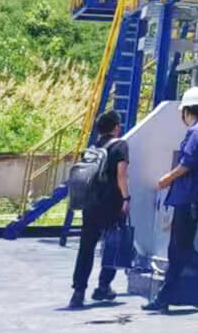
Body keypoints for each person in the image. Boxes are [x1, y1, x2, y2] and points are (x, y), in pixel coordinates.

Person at [143, 87, 198, 312]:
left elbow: (187, 163)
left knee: (181, 248)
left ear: (186, 111)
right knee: (176, 250)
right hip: (190, 198)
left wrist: (166, 179)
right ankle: (164, 298)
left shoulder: (197, 133)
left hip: (190, 199)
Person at [69, 110, 130, 309]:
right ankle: (104, 286)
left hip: (90, 204)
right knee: (112, 244)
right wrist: (126, 198)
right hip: (111, 203)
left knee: (86, 247)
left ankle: (78, 291)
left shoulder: (93, 148)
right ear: (116, 127)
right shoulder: (120, 145)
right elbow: (121, 175)